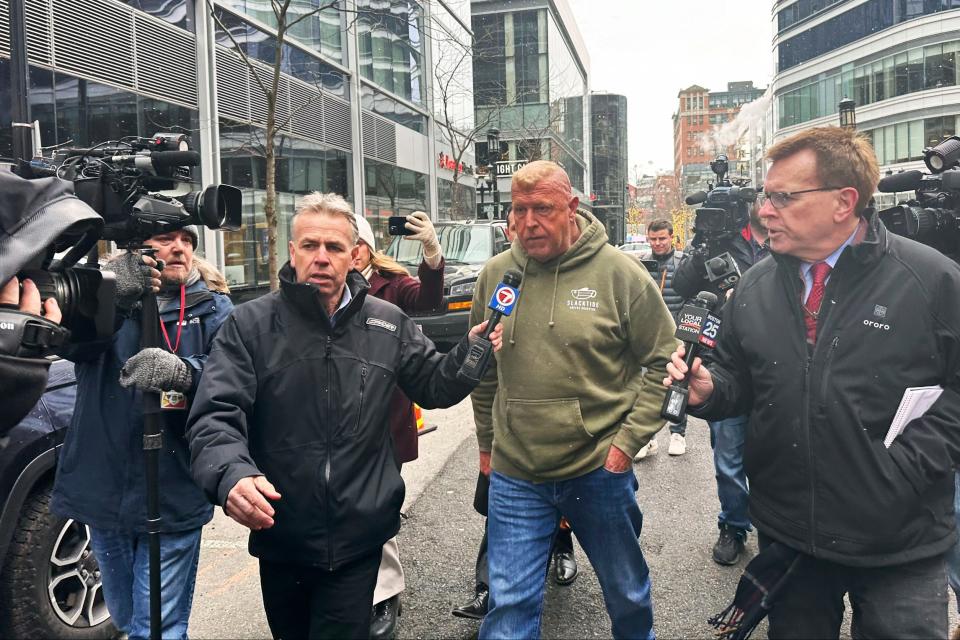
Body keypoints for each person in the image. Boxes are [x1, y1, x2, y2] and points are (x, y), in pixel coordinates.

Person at [664, 126, 960, 638]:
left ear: (844, 202)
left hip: (900, 542)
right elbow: (737, 374)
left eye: (783, 197)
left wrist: (906, 467)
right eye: (765, 196)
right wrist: (710, 391)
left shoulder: (931, 279)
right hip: (791, 535)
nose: (764, 211)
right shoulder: (754, 285)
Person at [185, 192, 502, 640]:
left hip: (359, 538)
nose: (321, 257)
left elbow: (435, 386)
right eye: (309, 245)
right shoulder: (249, 325)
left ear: (354, 255)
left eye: (333, 247)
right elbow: (215, 414)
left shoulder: (388, 323)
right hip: (282, 533)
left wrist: (473, 353)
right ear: (291, 251)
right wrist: (231, 475)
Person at [470, 161, 677, 639]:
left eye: (542, 209)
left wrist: (625, 445)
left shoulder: (620, 275)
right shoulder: (497, 275)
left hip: (598, 468)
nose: (528, 223)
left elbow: (665, 363)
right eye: (518, 210)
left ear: (571, 208)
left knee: (625, 592)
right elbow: (480, 370)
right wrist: (486, 446)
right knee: (508, 605)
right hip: (517, 473)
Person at [51, 226, 233, 639]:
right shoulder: (104, 300)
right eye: (168, 238)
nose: (180, 248)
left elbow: (237, 378)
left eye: (187, 240)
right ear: (136, 248)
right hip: (104, 487)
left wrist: (186, 372)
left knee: (159, 629)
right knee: (127, 619)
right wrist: (110, 298)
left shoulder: (213, 309)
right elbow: (71, 346)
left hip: (174, 487)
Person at [354, 211, 445, 640]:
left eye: (351, 243)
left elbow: (428, 300)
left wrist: (431, 251)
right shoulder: (318, 291)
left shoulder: (391, 285)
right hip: (338, 423)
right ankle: (358, 591)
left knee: (379, 505)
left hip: (386, 420)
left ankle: (384, 594)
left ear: (365, 248)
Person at [672, 202, 768, 566]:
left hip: (773, 367)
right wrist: (701, 247)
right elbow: (682, 286)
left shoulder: (786, 237)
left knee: (775, 456)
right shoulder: (716, 241)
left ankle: (774, 525)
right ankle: (733, 526)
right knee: (728, 458)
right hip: (724, 363)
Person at [635, 219, 689, 458]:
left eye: (662, 238)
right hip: (647, 334)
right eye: (653, 239)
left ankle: (678, 433)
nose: (657, 243)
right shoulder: (641, 264)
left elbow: (691, 296)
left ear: (671, 237)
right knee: (645, 387)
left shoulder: (684, 263)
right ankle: (648, 438)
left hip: (677, 335)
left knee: (677, 385)